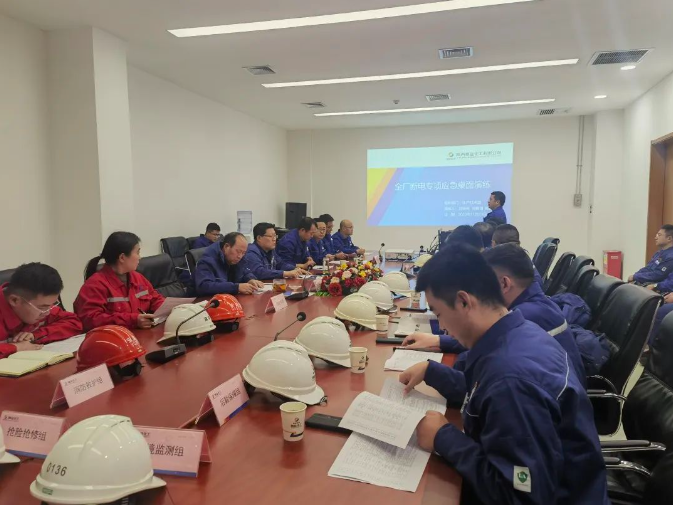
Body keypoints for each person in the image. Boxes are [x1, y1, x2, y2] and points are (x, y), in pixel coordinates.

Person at [399, 244, 609, 504]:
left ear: (464, 301)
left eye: (439, 314)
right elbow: (483, 393)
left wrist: (444, 438)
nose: (441, 326)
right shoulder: (519, 332)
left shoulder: (511, 381)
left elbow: (519, 497)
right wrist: (434, 372)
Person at [75, 232, 165, 331]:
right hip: (112, 338)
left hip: (141, 335)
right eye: (137, 252)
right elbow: (90, 320)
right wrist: (133, 320)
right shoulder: (95, 285)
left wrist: (170, 309)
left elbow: (155, 299)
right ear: (122, 257)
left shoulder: (138, 278)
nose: (140, 257)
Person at [1, 263, 83, 359]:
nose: (48, 312)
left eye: (52, 305)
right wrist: (16, 347)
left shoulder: (34, 305)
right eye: (43, 307)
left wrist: (36, 335)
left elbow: (73, 322)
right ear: (14, 300)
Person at [195, 232, 264, 295]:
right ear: (226, 247)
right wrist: (236, 287)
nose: (240, 256)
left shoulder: (237, 258)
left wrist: (250, 279)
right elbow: (203, 286)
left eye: (243, 253)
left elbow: (244, 271)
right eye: (238, 251)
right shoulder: (208, 260)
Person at [628, 225, 673, 289]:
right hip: (648, 283)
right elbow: (648, 268)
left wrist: (636, 277)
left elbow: (658, 275)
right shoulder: (658, 253)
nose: (655, 238)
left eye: (659, 235)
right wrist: (635, 276)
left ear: (669, 238)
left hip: (657, 287)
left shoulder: (671, 256)